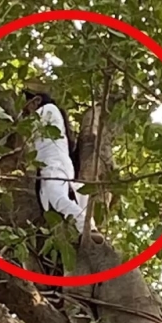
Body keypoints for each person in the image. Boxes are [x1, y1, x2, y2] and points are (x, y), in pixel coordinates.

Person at [23, 86, 104, 244]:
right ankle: (87, 225)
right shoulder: (52, 115)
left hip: (53, 165)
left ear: (36, 101)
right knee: (75, 195)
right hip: (61, 164)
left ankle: (85, 229)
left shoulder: (47, 110)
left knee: (57, 197)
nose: (26, 113)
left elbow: (23, 134)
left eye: (27, 108)